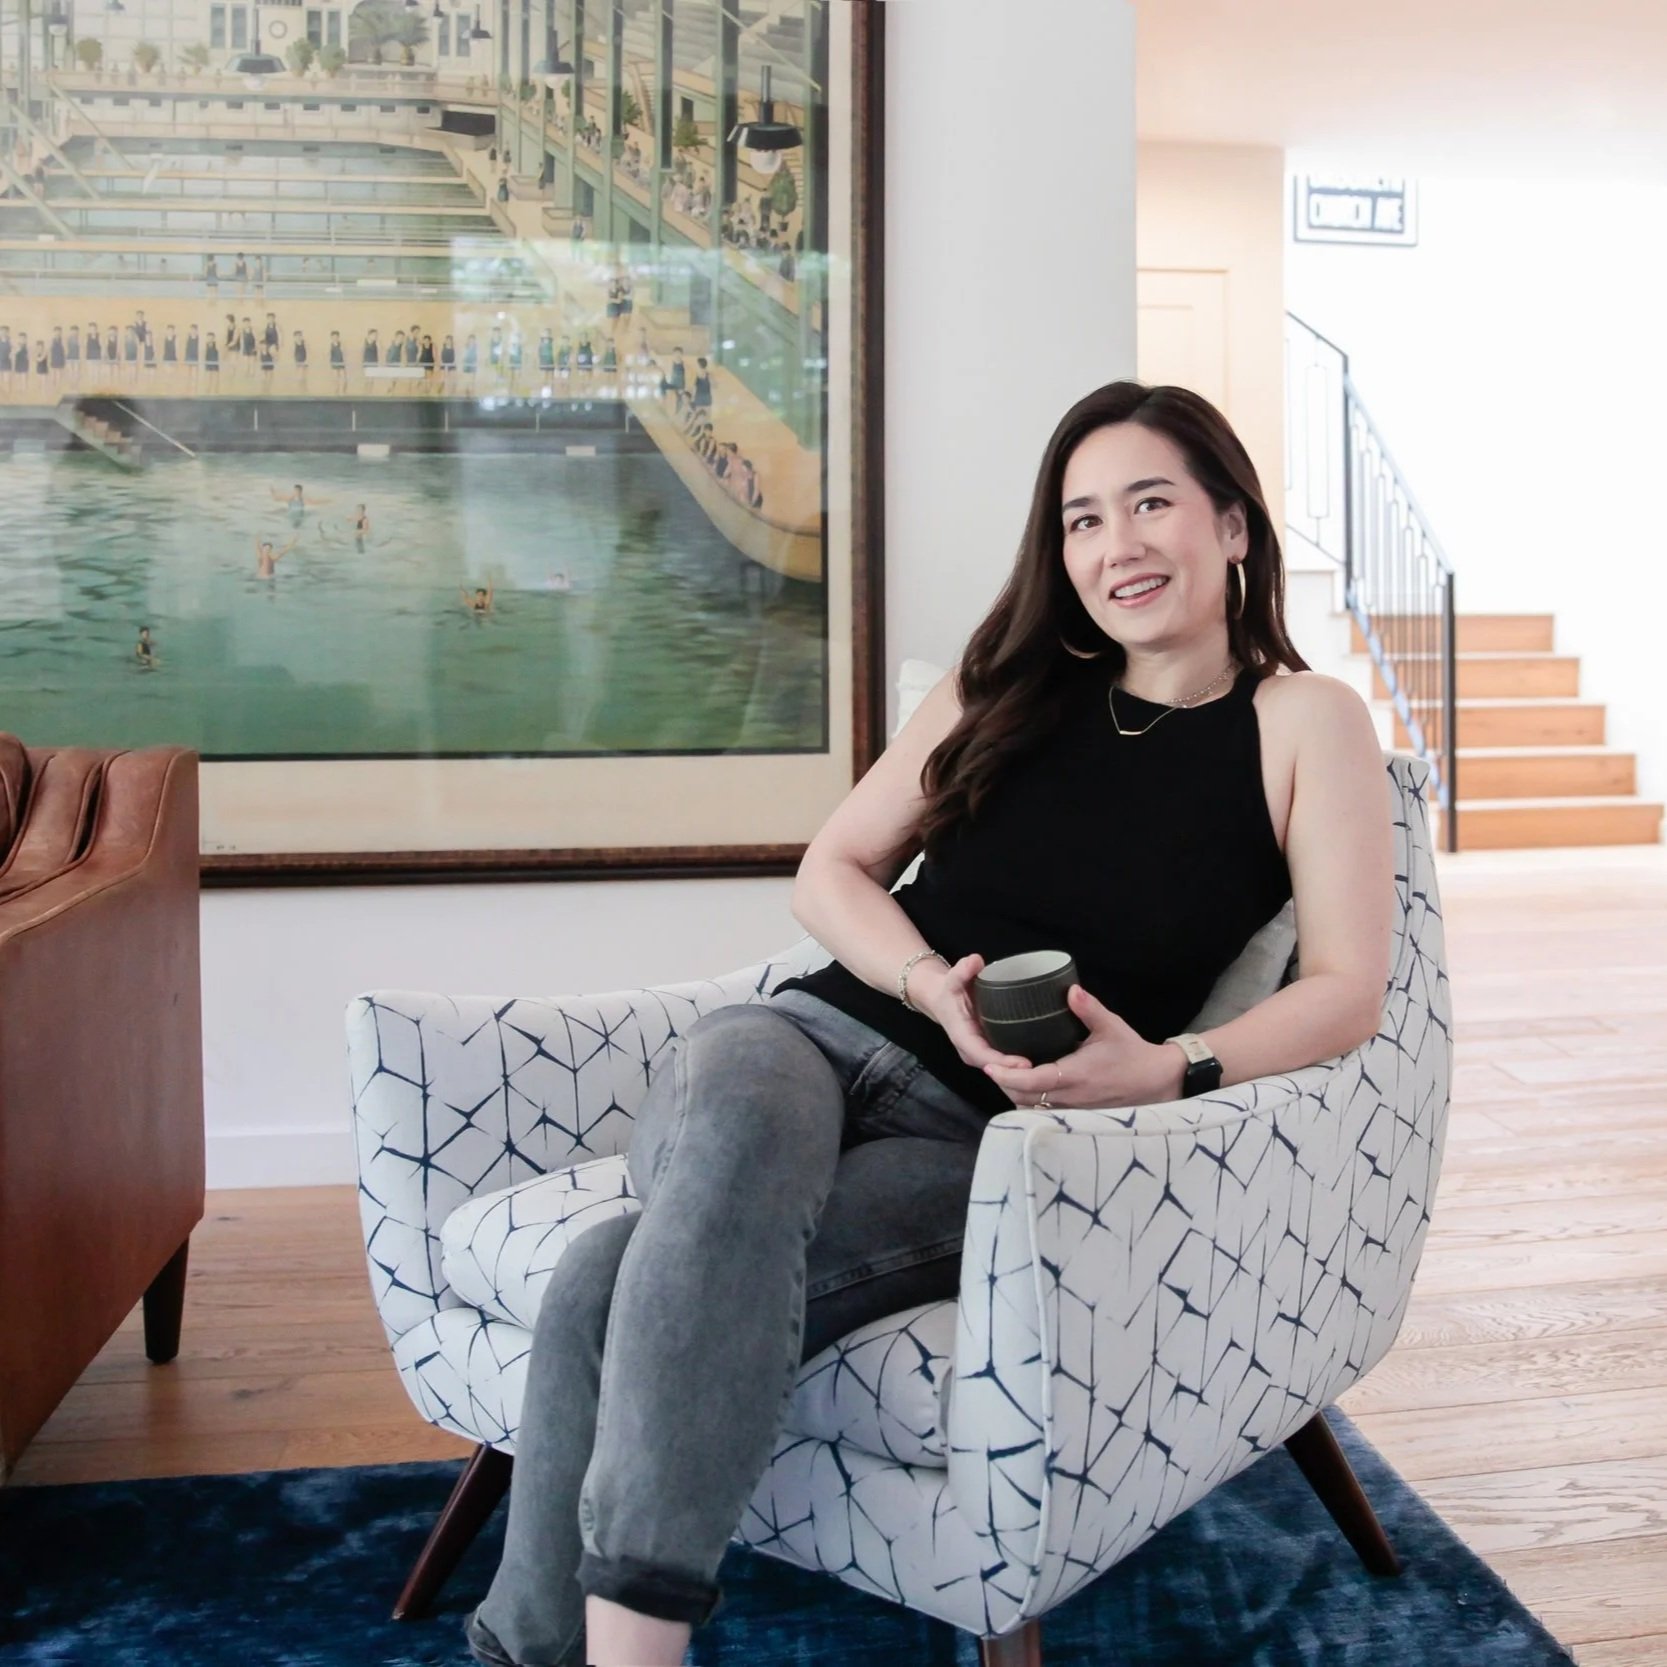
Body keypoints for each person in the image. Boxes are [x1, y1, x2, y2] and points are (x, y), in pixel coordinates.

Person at [460, 379, 1396, 1667]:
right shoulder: (1006, 684)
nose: (1114, 545)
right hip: (805, 1041)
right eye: (1079, 520)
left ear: (1232, 525)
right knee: (729, 1148)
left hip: (986, 1139)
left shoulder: (1304, 722)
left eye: (1149, 504)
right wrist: (923, 985)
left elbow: (1349, 987)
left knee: (605, 1275)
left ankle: (531, 1652)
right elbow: (829, 871)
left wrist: (1173, 1068)